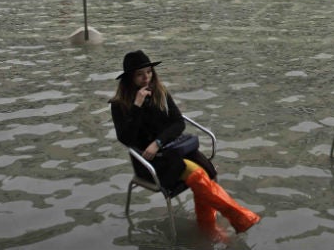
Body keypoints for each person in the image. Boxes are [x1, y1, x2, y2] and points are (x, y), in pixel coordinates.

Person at [110, 51, 260, 239]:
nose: (146, 78)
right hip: (148, 162)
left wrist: (158, 142)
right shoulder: (119, 105)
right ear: (129, 79)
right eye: (140, 74)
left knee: (205, 173)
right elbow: (127, 138)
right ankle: (234, 219)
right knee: (198, 176)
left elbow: (178, 123)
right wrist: (137, 106)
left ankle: (210, 227)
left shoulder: (160, 92)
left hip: (172, 149)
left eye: (149, 72)